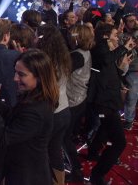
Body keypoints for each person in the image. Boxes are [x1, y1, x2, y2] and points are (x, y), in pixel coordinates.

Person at [0, 49, 59, 185]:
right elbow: (14, 117)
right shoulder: (34, 96)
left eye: (21, 74)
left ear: (39, 77)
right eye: (15, 72)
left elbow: (3, 138)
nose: (15, 78)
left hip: (28, 175)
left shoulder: (36, 110)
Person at [88, 23, 136, 184]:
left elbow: (110, 71)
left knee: (104, 128)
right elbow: (107, 59)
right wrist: (123, 47)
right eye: (115, 34)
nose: (117, 37)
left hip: (109, 100)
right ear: (105, 36)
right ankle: (97, 175)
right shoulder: (99, 49)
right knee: (120, 142)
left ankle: (93, 152)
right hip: (103, 103)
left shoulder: (106, 51)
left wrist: (121, 70)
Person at [36, 24, 72, 185]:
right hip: (64, 110)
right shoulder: (63, 57)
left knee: (42, 151)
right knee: (55, 150)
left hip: (52, 111)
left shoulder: (46, 62)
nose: (35, 38)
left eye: (37, 36)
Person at [63, 24, 94, 182]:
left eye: (72, 34)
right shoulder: (84, 52)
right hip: (80, 98)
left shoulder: (76, 55)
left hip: (73, 100)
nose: (69, 36)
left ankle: (76, 169)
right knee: (67, 135)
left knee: (63, 137)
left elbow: (60, 72)